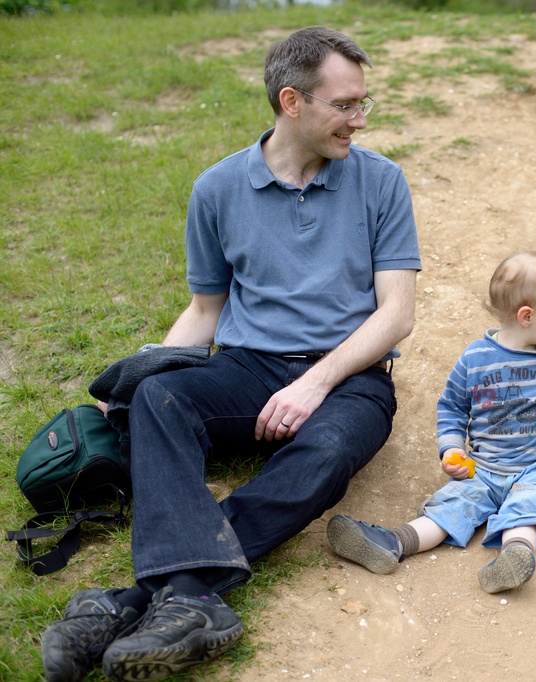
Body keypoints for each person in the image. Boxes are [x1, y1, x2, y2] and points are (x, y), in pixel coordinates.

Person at [40, 26, 420, 682]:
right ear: (291, 101)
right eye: (345, 105)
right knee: (160, 397)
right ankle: (187, 601)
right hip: (248, 367)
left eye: (363, 103)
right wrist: (139, 377)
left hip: (352, 375)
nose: (360, 119)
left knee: (329, 449)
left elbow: (397, 314)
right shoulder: (216, 189)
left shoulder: (382, 182)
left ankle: (141, 599)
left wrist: (317, 382)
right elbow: (205, 310)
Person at [327, 251, 536, 594]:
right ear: (527, 316)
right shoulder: (475, 359)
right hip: (482, 469)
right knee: (450, 508)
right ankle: (394, 542)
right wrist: (451, 449)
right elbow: (452, 408)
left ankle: (513, 557)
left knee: (528, 506)